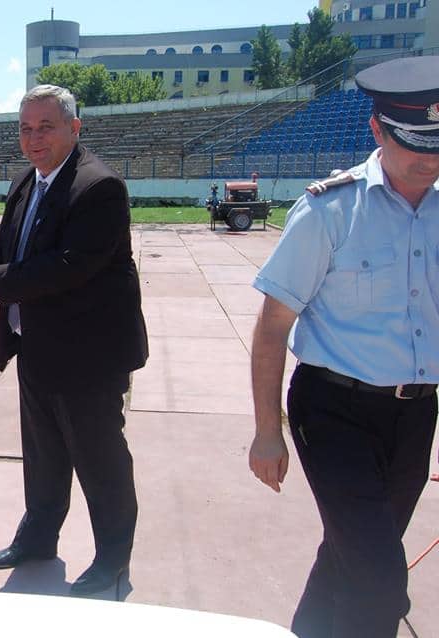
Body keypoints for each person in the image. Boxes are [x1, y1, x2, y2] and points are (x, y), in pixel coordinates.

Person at [0, 84, 148, 598]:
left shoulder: (99, 187)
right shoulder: (27, 180)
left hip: (88, 357)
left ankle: (113, 557)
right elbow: (6, 244)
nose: (33, 139)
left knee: (100, 461)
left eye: (45, 127)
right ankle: (38, 538)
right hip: (36, 347)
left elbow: (69, 266)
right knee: (44, 455)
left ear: (75, 127)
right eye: (25, 129)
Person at [248, 56, 439, 638]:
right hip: (334, 411)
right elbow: (272, 327)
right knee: (379, 580)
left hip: (415, 414)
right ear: (378, 130)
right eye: (415, 144)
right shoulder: (330, 210)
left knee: (350, 555)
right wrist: (267, 431)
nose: (429, 159)